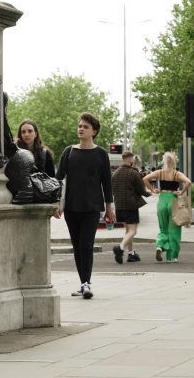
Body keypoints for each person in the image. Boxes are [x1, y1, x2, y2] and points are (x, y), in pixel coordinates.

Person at [54, 112, 116, 299]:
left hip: (92, 207)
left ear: (94, 131)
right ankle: (83, 283)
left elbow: (107, 182)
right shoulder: (69, 152)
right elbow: (58, 179)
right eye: (80, 126)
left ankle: (86, 283)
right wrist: (57, 202)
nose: (81, 129)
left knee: (87, 245)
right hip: (72, 207)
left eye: (85, 127)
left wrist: (109, 207)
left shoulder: (101, 154)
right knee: (77, 245)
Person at [142, 152, 192, 263]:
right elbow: (188, 182)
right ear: (174, 162)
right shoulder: (176, 174)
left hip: (162, 200)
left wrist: (152, 189)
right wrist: (181, 191)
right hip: (173, 200)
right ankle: (172, 257)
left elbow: (145, 179)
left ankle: (160, 246)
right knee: (174, 229)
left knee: (163, 228)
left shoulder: (160, 172)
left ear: (164, 161)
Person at [111, 151, 150, 264]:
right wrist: (150, 193)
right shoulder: (133, 173)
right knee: (133, 231)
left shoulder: (115, 173)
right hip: (131, 205)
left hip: (119, 206)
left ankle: (131, 253)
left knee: (128, 231)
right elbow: (141, 190)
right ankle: (120, 248)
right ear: (130, 159)